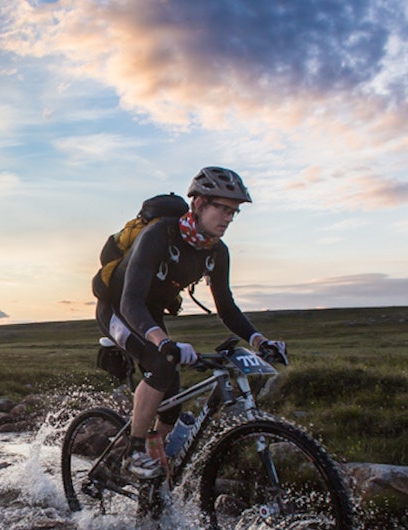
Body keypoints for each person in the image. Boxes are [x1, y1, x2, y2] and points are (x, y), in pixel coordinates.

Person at [93, 167, 286, 480]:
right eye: (221, 208)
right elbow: (131, 302)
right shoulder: (159, 235)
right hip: (119, 308)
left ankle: (157, 478)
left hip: (150, 312)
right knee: (161, 363)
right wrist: (163, 342)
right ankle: (133, 453)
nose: (227, 218)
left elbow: (226, 307)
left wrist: (260, 341)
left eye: (233, 212)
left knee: (171, 404)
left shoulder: (216, 252)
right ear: (198, 204)